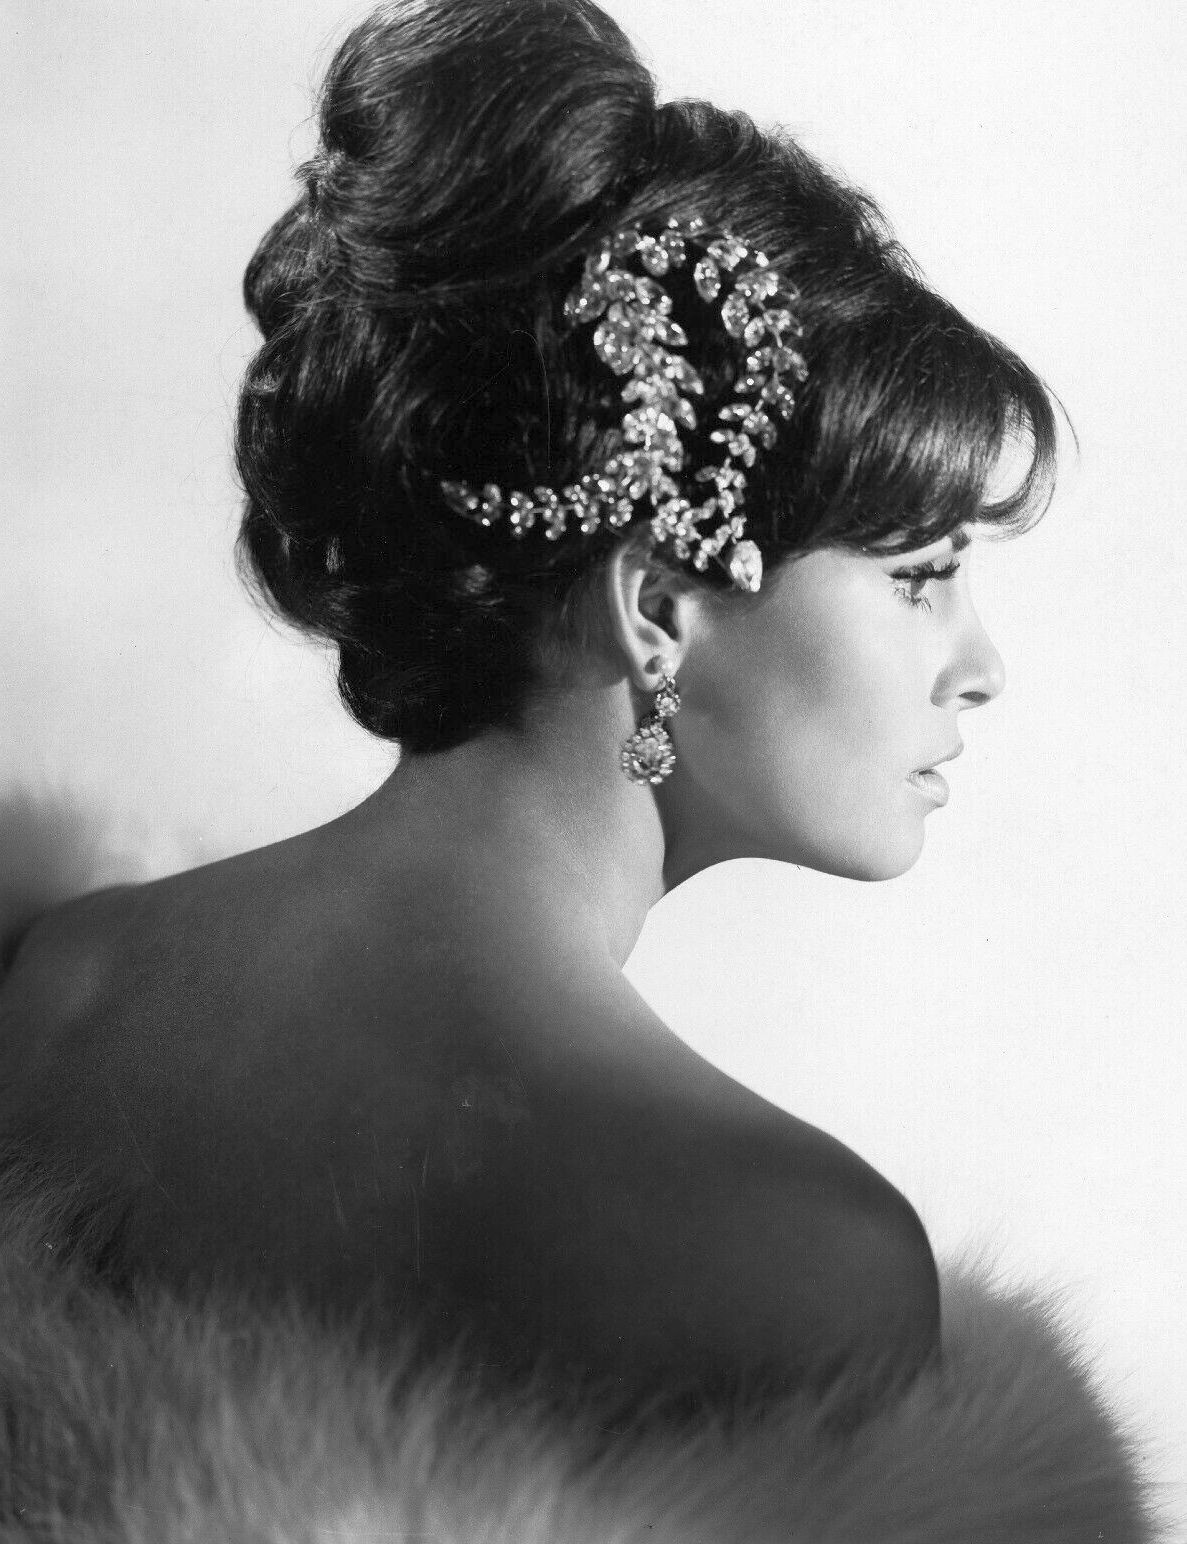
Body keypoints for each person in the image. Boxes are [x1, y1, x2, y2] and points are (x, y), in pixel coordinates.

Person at [0, 1, 1156, 1536]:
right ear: (658, 610)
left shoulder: (65, 988)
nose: (981, 664)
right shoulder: (799, 1259)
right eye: (921, 576)